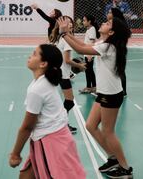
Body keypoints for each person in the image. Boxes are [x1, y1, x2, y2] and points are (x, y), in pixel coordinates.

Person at [57, 16, 133, 178]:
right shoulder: (103, 43)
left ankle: (125, 168)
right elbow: (83, 45)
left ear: (111, 32)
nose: (103, 23)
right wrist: (65, 32)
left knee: (108, 132)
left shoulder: (108, 46)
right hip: (104, 93)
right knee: (91, 125)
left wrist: (64, 34)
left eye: (107, 23)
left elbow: (82, 50)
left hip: (111, 95)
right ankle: (113, 158)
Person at [8, 44, 86, 179]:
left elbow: (27, 127)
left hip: (51, 141)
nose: (29, 56)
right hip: (54, 137)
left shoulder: (37, 90)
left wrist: (15, 154)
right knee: (25, 175)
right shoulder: (42, 82)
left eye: (34, 54)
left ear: (43, 63)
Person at [50, 16, 87, 134]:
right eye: (67, 23)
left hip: (59, 72)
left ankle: (62, 123)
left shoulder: (58, 37)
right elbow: (67, 60)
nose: (70, 24)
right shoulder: (66, 40)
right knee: (69, 101)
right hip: (63, 75)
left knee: (67, 101)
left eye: (71, 23)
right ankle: (60, 123)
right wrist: (80, 66)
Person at [107, 7, 130, 96]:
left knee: (120, 70)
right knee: (118, 70)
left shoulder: (118, 25)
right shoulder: (115, 24)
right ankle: (119, 89)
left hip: (118, 50)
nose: (108, 14)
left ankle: (123, 90)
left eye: (110, 12)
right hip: (118, 49)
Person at [79, 15, 99, 94]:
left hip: (89, 54)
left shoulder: (92, 29)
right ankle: (93, 87)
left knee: (88, 71)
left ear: (89, 21)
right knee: (89, 70)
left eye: (84, 20)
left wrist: (90, 55)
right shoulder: (89, 29)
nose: (83, 22)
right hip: (88, 53)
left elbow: (92, 42)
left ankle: (89, 87)